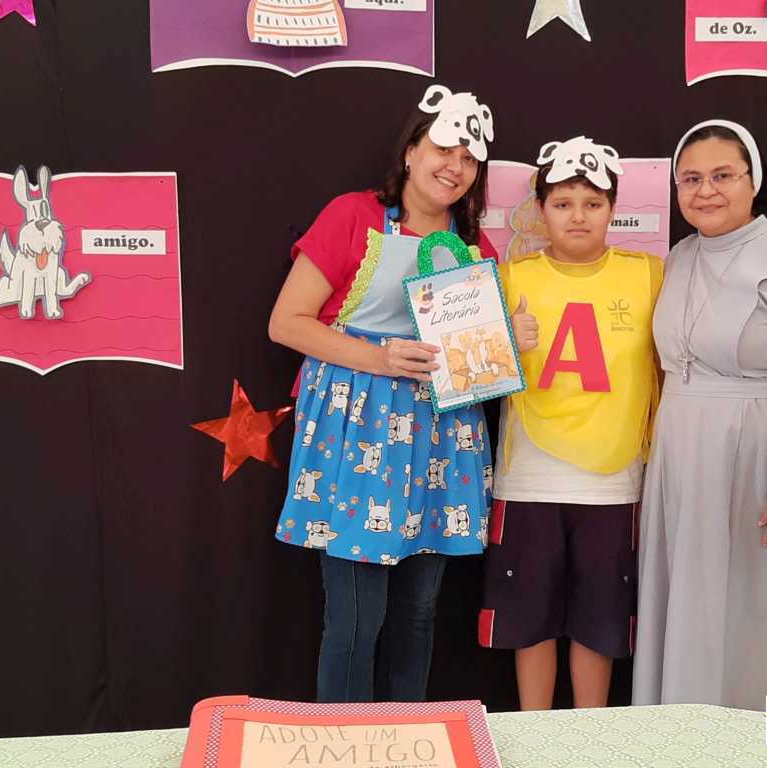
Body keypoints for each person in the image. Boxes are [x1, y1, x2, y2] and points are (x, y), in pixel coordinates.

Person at [268, 84, 498, 703]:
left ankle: (407, 736)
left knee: (419, 612)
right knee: (355, 616)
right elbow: (286, 323)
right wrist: (381, 358)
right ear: (411, 152)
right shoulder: (353, 215)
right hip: (357, 429)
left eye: (469, 158)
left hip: (440, 438)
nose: (455, 166)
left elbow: (477, 361)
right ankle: (343, 740)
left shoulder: (474, 245)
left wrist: (511, 337)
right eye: (443, 149)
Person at [632, 119, 767, 710]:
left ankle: (765, 736)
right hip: (683, 462)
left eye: (722, 176)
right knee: (693, 602)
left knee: (762, 608)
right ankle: (689, 729)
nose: (705, 191)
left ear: (753, 180)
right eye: (690, 179)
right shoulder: (678, 258)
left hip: (764, 466)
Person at [478, 136, 664, 710]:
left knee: (599, 622)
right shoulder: (508, 276)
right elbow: (467, 375)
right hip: (529, 478)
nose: (578, 216)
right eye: (562, 203)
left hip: (614, 480)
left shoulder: (650, 274)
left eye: (592, 203)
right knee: (529, 620)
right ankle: (536, 737)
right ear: (540, 210)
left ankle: (592, 737)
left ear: (613, 208)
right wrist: (502, 343)